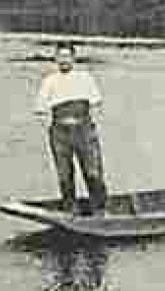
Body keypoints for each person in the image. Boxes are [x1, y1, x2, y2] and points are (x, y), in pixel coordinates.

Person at [35, 42, 110, 216]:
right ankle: (70, 210)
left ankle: (100, 210)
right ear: (55, 59)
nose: (64, 60)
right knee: (64, 175)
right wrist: (55, 126)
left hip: (83, 130)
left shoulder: (85, 78)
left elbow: (97, 103)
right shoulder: (49, 81)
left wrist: (86, 126)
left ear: (73, 58)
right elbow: (40, 109)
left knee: (93, 172)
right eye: (60, 57)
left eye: (67, 56)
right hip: (60, 133)